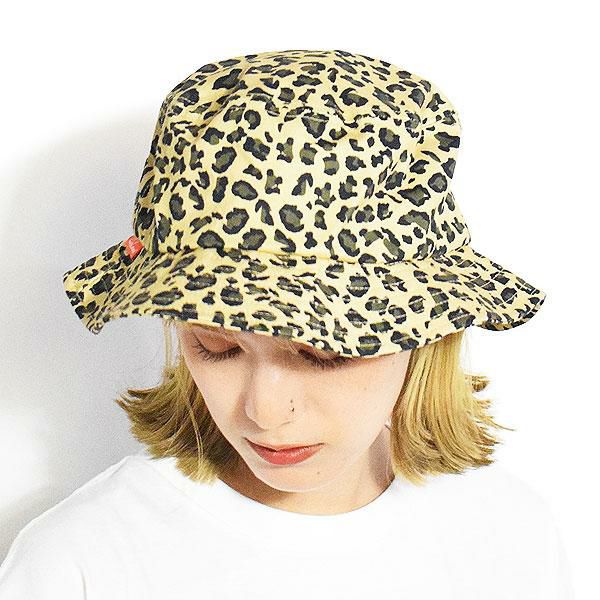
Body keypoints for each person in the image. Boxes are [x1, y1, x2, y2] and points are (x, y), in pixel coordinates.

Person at [0, 48, 573, 598]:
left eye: (323, 352)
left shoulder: (509, 535)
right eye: (217, 347)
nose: (264, 412)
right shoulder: (81, 560)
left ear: (428, 331)